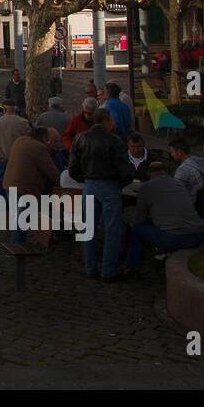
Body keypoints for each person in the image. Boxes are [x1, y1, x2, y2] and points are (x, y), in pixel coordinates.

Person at [68, 108, 134, 281]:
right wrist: (119, 184)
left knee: (88, 228)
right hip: (110, 185)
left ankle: (90, 268)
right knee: (112, 230)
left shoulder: (81, 138)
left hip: (89, 185)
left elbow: (73, 167)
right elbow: (125, 170)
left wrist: (85, 179)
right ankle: (109, 270)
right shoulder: (115, 140)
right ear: (106, 120)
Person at [123, 160, 204, 275]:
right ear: (166, 172)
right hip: (198, 234)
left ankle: (133, 267)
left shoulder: (146, 187)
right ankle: (160, 252)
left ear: (148, 174)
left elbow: (139, 218)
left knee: (137, 230)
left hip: (173, 237)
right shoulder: (179, 184)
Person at [3, 127, 61, 249]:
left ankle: (18, 244)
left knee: (18, 219)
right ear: (45, 138)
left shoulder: (21, 140)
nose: (54, 144)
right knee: (22, 221)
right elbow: (51, 171)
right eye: (53, 141)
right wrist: (63, 181)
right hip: (24, 188)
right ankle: (18, 248)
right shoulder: (39, 148)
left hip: (10, 183)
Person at [0, 100, 32, 195]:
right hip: (19, 160)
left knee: (1, 186)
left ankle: (3, 206)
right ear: (15, 108)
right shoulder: (23, 122)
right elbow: (30, 140)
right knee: (17, 189)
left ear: (4, 109)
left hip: (2, 159)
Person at [170, 136, 204, 205]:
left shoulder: (182, 170)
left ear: (180, 152)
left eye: (172, 152)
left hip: (191, 204)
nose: (171, 154)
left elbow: (175, 192)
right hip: (203, 200)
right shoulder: (200, 160)